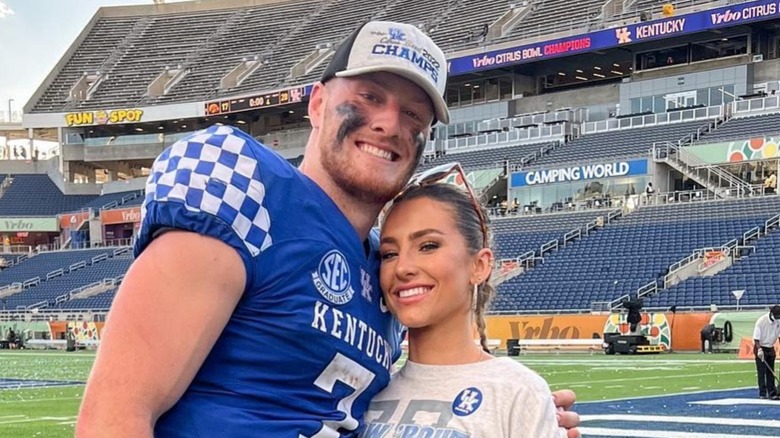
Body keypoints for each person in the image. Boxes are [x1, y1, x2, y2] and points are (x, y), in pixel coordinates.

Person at [76, 20, 580, 437]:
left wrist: (511, 409)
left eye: (413, 114)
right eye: (369, 96)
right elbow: (116, 412)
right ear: (317, 104)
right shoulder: (247, 187)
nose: (389, 123)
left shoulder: (382, 274)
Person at [364, 177, 567, 436]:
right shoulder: (368, 390)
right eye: (390, 254)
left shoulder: (517, 392)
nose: (402, 268)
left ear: (479, 265)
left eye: (428, 246)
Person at [753, 305, 780, 400]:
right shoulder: (761, 321)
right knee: (761, 371)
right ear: (771, 314)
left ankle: (772, 392)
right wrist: (759, 350)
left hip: (770, 347)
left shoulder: (778, 321)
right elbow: (756, 339)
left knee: (771, 371)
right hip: (760, 347)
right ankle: (762, 393)